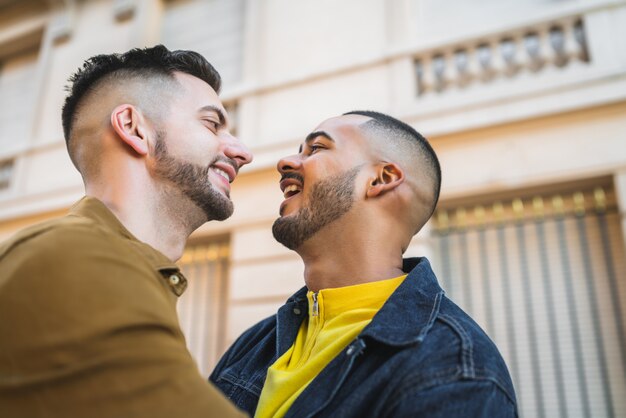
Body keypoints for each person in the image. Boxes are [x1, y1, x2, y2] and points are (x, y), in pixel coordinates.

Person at [210, 111, 518, 417]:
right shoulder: (256, 343)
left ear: (381, 179)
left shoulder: (455, 370)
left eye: (316, 148)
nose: (285, 163)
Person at [0, 45, 252, 417]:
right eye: (212, 124)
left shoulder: (121, 264)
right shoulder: (76, 260)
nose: (243, 152)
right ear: (134, 129)